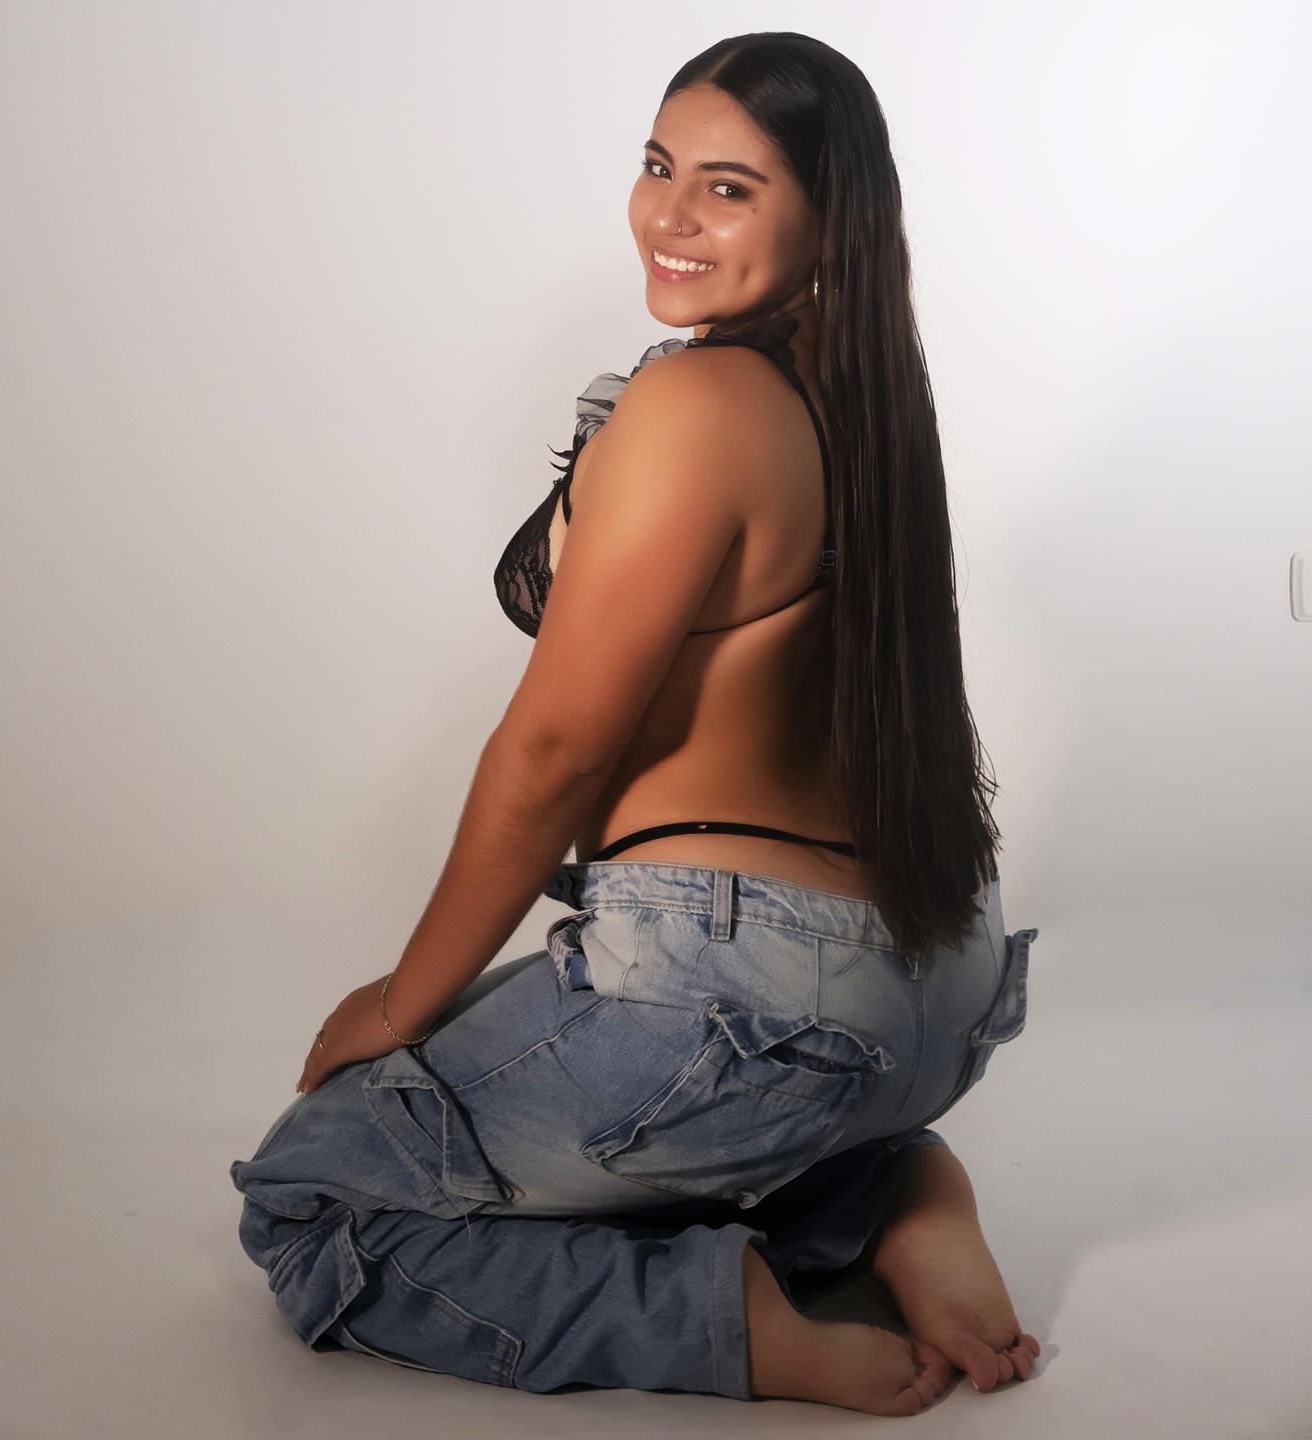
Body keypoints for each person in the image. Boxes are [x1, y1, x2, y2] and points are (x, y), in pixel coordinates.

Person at [231, 31, 1042, 1416]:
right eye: (658, 167)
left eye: (728, 188)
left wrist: (400, 998)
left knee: (312, 1197)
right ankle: (892, 1195)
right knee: (606, 1136)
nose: (669, 214)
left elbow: (556, 750)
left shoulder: (697, 404)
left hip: (744, 1003)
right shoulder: (863, 399)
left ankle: (734, 1324)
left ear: (827, 214)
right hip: (932, 995)